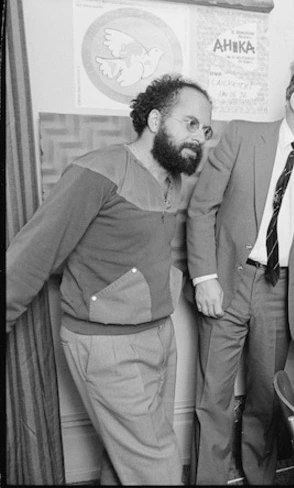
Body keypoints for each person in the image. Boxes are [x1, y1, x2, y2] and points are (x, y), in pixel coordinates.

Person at [6, 74, 213, 484]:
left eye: (206, 130)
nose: (200, 137)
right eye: (190, 123)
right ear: (154, 120)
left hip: (159, 336)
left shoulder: (173, 178)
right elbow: (32, 256)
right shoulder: (96, 171)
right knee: (158, 469)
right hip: (108, 345)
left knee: (126, 464)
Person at [186, 65, 294, 485]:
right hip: (227, 281)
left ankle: (259, 479)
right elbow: (201, 208)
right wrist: (204, 277)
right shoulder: (242, 136)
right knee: (214, 398)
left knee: (265, 397)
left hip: (285, 291)